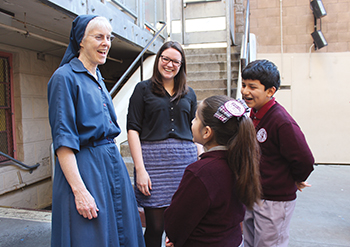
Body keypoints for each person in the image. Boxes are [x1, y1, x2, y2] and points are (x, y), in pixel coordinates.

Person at [47, 15, 145, 247]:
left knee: (121, 233)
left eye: (109, 37)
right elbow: (63, 141)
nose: (106, 43)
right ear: (81, 40)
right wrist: (80, 191)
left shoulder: (98, 77)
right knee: (91, 236)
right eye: (98, 36)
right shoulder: (64, 78)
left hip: (111, 166)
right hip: (86, 169)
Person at [164, 95, 262, 247]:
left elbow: (176, 221)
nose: (192, 121)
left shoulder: (201, 172)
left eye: (196, 118)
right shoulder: (241, 161)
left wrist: (174, 239)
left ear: (207, 132)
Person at [127, 41, 199, 247]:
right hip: (152, 164)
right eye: (165, 58)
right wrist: (140, 169)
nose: (169, 64)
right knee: (155, 227)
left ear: (182, 65)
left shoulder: (189, 93)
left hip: (184, 164)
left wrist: (200, 161)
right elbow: (133, 129)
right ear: (158, 59)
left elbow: (194, 130)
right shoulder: (142, 90)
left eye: (176, 61)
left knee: (181, 226)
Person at [240, 59, 315, 247]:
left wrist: (295, 179)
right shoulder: (254, 114)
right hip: (253, 195)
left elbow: (304, 159)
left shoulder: (281, 121)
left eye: (252, 87)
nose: (245, 91)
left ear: (270, 91)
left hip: (274, 201)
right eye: (243, 85)